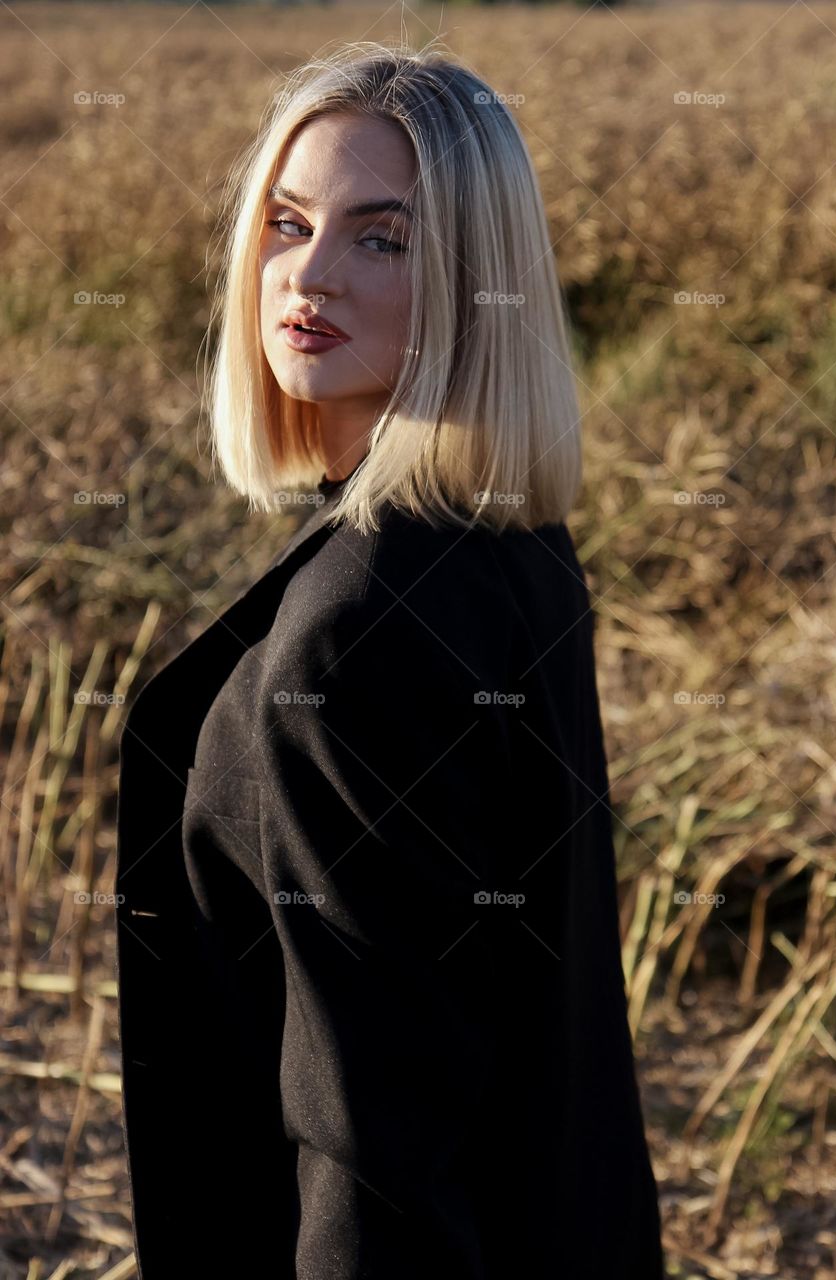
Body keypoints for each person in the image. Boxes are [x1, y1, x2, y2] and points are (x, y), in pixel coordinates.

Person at [115, 39, 665, 1280]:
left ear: (479, 286)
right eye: (289, 221)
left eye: (382, 238)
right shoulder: (505, 544)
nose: (307, 275)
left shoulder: (361, 624)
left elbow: (375, 1145)